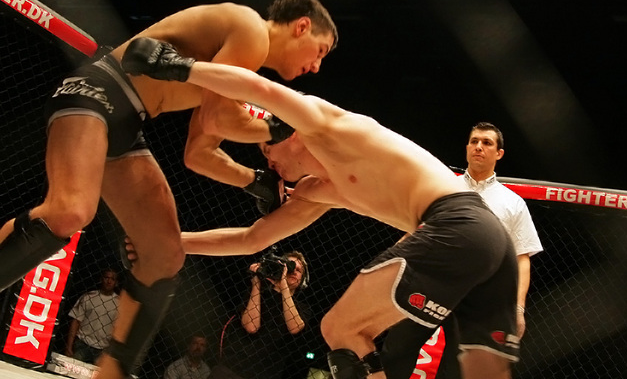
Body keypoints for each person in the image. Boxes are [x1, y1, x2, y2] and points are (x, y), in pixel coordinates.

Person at [120, 40, 521, 379]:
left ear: (287, 133)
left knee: (338, 328)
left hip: (458, 222)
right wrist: (170, 241)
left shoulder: (327, 125)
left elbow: (260, 88)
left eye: (267, 146)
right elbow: (252, 239)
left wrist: (179, 67)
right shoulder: (319, 191)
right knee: (471, 367)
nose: (266, 158)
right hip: (488, 244)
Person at [0, 0, 338, 379]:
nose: (316, 66)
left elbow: (198, 153)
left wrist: (254, 181)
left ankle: (112, 372)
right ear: (302, 26)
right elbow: (218, 120)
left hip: (128, 122)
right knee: (70, 211)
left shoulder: (237, 72)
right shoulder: (251, 31)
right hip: (96, 92)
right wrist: (278, 127)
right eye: (320, 51)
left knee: (164, 254)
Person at [381, 122, 543, 378]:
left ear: (499, 153)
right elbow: (414, 233)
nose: (479, 147)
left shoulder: (513, 203)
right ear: (467, 147)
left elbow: (522, 258)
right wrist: (385, 269)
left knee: (459, 368)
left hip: (477, 294)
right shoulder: (442, 186)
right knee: (395, 350)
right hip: (430, 282)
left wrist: (518, 309)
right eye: (474, 141)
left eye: (487, 143)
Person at [215, 250, 311, 379]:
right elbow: (251, 327)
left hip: (265, 373)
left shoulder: (302, 308)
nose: (293, 271)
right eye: (290, 267)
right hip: (233, 367)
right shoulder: (259, 294)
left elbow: (294, 327)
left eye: (299, 270)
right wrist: (256, 281)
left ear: (302, 279)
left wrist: (283, 285)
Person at [65, 268, 121, 364]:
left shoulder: (120, 303)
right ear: (101, 279)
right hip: (83, 343)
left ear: (116, 283)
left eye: (112, 279)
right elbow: (76, 321)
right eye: (106, 278)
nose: (109, 281)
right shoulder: (89, 297)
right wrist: (69, 346)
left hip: (104, 349)